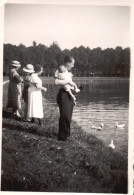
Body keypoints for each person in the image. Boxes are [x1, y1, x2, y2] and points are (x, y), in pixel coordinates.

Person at [55, 56, 77, 141]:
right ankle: (62, 137)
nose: (73, 66)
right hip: (64, 94)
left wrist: (73, 95)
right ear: (68, 63)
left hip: (69, 94)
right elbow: (57, 82)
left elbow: (69, 84)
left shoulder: (67, 72)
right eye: (72, 64)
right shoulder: (60, 70)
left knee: (69, 116)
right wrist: (68, 82)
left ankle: (67, 134)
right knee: (65, 116)